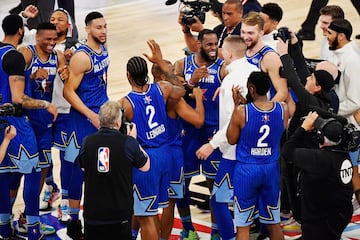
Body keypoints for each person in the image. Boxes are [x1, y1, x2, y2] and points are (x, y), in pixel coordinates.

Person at [0, 14, 57, 240]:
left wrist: (30, 75)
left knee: (4, 175)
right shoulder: (15, 56)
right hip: (17, 122)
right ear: (22, 32)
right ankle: (33, 229)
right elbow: (18, 98)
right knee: (34, 173)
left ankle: (4, 228)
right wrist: (46, 103)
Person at [195, 35, 257, 240]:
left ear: (227, 53)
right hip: (257, 150)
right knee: (253, 200)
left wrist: (211, 145)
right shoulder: (254, 70)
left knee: (218, 200)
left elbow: (233, 122)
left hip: (233, 152)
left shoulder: (231, 79)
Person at [118, 55, 185, 240]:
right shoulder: (162, 88)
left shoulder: (125, 103)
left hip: (146, 159)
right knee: (159, 208)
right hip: (166, 154)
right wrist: (167, 70)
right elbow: (180, 90)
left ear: (128, 75)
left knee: (146, 215)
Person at [145, 39, 205, 240]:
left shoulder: (142, 95)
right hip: (170, 154)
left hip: (147, 155)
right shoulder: (174, 99)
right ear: (163, 76)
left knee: (146, 205)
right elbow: (198, 120)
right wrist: (197, 98)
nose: (177, 75)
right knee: (169, 202)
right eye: (172, 71)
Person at [174, 28, 226, 239]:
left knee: (213, 185)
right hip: (188, 133)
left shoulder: (223, 68)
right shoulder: (182, 65)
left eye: (215, 44)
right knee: (182, 184)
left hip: (212, 134)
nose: (213, 49)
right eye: (209, 45)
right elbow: (173, 93)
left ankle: (215, 231)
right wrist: (191, 83)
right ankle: (188, 228)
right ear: (198, 45)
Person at [63, 11, 109, 239]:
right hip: (83, 120)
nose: (103, 31)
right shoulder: (82, 57)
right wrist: (91, 114)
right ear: (88, 29)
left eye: (105, 27)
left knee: (101, 169)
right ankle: (73, 222)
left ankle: (97, 216)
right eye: (98, 28)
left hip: (101, 118)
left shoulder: (103, 47)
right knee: (79, 170)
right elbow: (68, 91)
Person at [226, 71, 288, 240]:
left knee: (243, 226)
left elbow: (231, 139)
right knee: (273, 222)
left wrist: (236, 108)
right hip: (271, 169)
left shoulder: (241, 111)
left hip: (247, 170)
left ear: (251, 89)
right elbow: (268, 123)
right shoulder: (283, 108)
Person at [76, 100, 150, 240]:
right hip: (119, 215)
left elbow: (82, 165)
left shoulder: (87, 141)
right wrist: (134, 140)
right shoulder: (128, 143)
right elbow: (146, 166)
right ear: (118, 123)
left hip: (93, 214)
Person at [282, 111, 353, 239]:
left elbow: (287, 150)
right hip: (339, 216)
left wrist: (303, 128)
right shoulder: (343, 154)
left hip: (320, 222)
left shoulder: (319, 159)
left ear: (321, 138)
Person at [326, 19, 360, 206]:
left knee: (351, 169)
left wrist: (330, 111)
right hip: (337, 121)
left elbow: (355, 101)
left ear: (341, 35)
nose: (325, 35)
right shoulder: (335, 54)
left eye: (329, 33)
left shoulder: (352, 60)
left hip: (348, 125)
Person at [241, 11, 289, 103]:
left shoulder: (269, 57)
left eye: (250, 33)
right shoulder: (242, 50)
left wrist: (263, 111)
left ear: (261, 33)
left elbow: (282, 92)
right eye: (243, 32)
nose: (245, 37)